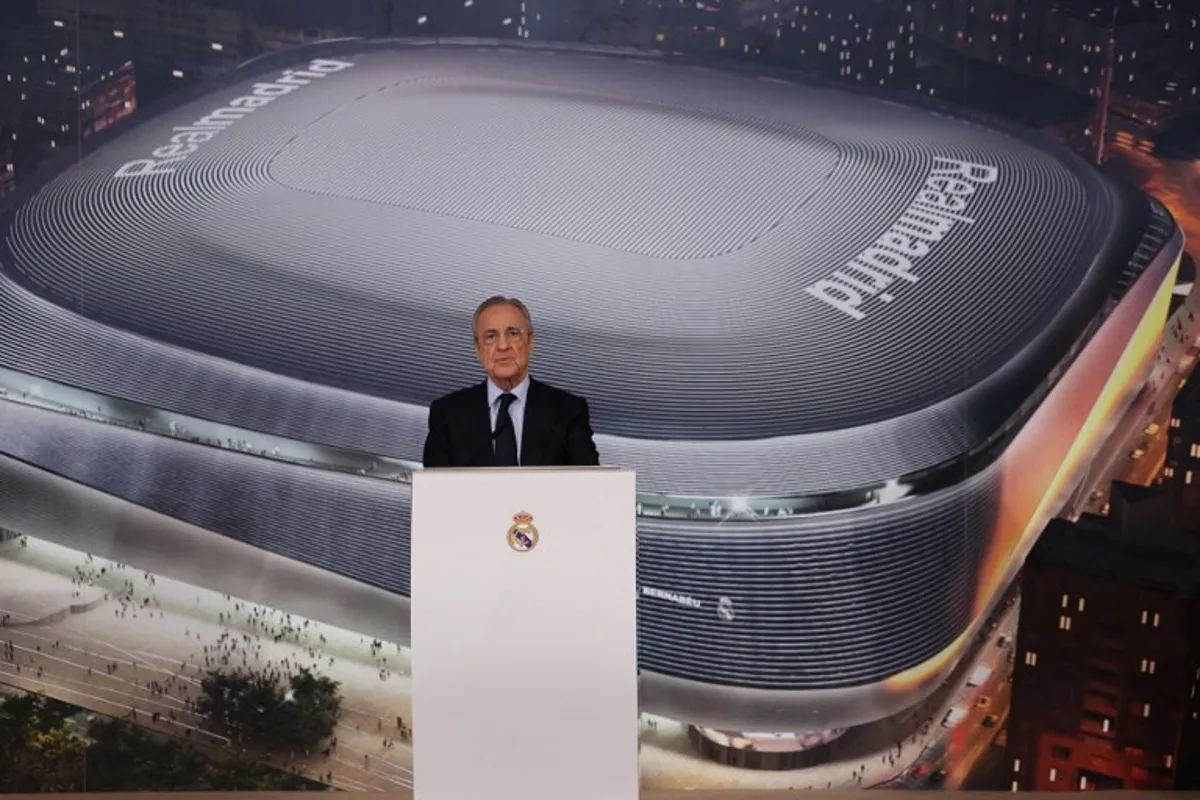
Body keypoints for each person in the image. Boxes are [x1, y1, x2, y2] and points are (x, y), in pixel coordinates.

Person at [422, 296, 600, 468]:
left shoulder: (568, 411)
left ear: (531, 343)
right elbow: (433, 492)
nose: (503, 346)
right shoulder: (447, 414)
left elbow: (592, 486)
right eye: (491, 337)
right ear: (477, 349)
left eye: (513, 334)